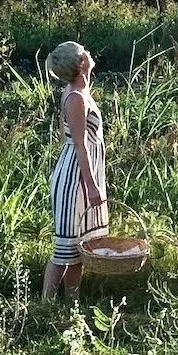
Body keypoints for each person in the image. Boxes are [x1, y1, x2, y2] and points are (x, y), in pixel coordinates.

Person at [42, 41, 109, 299]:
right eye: (85, 52)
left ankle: (72, 303)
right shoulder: (75, 97)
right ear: (81, 63)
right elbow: (78, 144)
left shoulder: (80, 92)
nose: (90, 53)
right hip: (74, 178)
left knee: (79, 247)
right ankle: (45, 304)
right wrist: (91, 186)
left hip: (80, 173)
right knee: (64, 248)